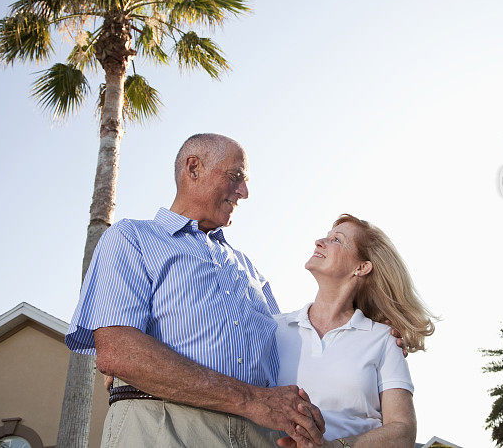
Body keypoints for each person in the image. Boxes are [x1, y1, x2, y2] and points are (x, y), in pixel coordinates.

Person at [65, 134, 325, 448]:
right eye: (236, 177)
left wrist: (375, 325)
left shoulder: (250, 270)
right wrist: (253, 400)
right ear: (193, 168)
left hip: (260, 436)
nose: (244, 192)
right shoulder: (132, 238)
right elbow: (119, 352)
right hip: (162, 428)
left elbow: (291, 347)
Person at [274, 214, 434, 448]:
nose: (319, 242)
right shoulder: (276, 328)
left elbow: (403, 431)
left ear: (362, 267)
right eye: (326, 237)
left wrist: (334, 446)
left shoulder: (384, 339)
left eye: (336, 240)